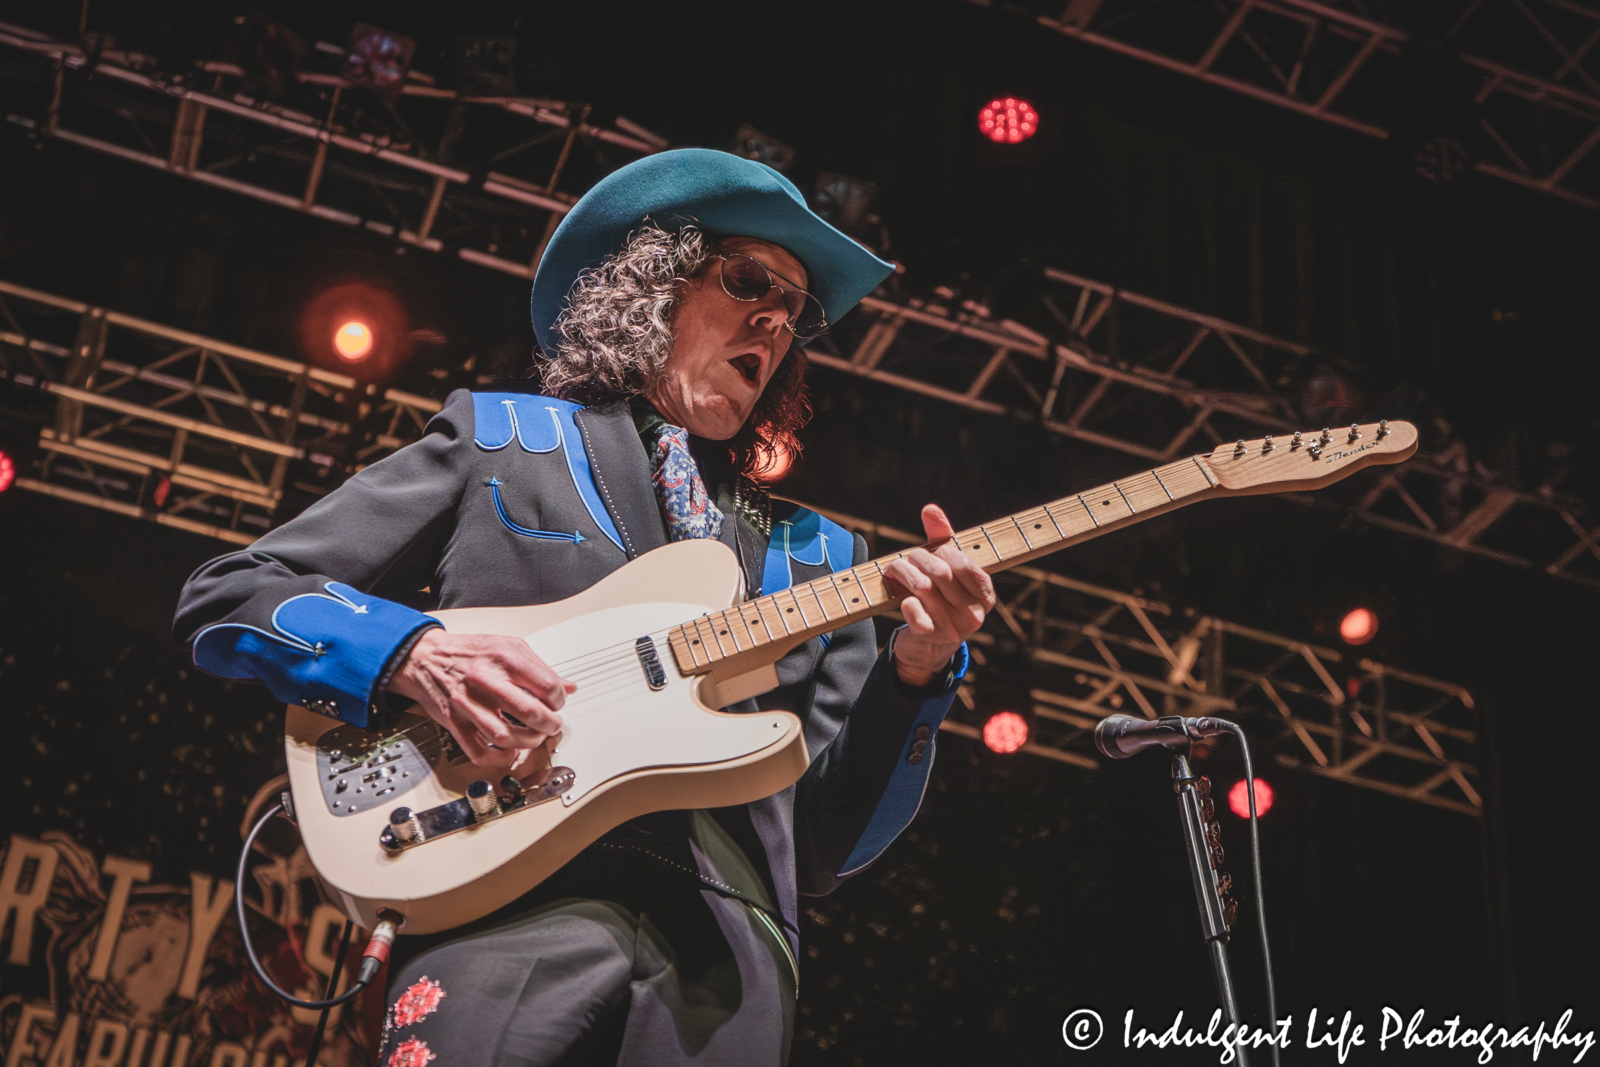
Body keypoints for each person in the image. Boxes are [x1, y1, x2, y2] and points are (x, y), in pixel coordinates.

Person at [175, 148, 996, 1066]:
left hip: (726, 969)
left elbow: (829, 844)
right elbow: (233, 595)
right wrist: (414, 653)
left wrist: (919, 676)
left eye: (793, 310)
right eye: (747, 278)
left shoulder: (823, 556)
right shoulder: (501, 438)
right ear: (651, 286)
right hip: (497, 904)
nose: (776, 317)